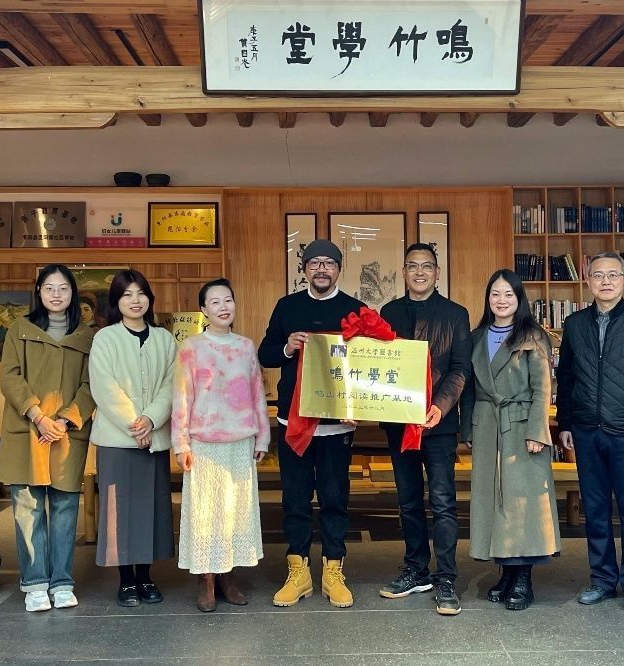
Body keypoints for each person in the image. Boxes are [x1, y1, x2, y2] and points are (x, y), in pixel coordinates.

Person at [258, 239, 366, 609]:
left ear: (339, 269)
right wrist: (287, 347)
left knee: (335, 499)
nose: (321, 269)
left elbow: (368, 363)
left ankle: (333, 570)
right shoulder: (287, 307)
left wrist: (361, 403)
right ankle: (298, 572)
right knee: (295, 498)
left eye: (329, 263)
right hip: (294, 421)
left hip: (337, 425)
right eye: (314, 262)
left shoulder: (355, 309)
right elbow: (266, 354)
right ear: (304, 269)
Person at [557, 252, 624, 613]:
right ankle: (602, 579)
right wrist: (566, 423)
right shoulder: (574, 324)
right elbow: (566, 378)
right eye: (598, 275)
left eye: (613, 275)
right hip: (587, 432)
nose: (605, 281)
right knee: (596, 509)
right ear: (587, 281)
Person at [377, 243, 472, 616]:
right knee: (408, 500)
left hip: (439, 424)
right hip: (399, 423)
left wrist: (441, 405)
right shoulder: (389, 313)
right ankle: (415, 569)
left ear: (437, 272)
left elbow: (460, 368)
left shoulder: (455, 314)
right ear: (403, 272)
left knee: (443, 502)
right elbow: (378, 364)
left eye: (427, 266)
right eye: (413, 266)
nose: (419, 272)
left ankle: (446, 576)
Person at [0, 264, 96, 613]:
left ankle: (62, 582)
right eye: (49, 287)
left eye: (63, 288)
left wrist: (66, 420)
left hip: (67, 433)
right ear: (38, 291)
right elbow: (10, 377)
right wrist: (38, 416)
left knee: (66, 509)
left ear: (73, 294)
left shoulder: (87, 337)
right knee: (28, 508)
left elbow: (91, 385)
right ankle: (35, 583)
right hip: (27, 429)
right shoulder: (19, 330)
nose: (56, 294)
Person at [460, 269, 560, 611]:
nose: (501, 301)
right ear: (487, 299)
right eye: (495, 294)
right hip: (487, 425)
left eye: (508, 294)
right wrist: (468, 430)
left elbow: (542, 389)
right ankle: (505, 571)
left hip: (521, 427)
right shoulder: (476, 337)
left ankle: (523, 578)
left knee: (522, 502)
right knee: (494, 501)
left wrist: (537, 431)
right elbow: (470, 389)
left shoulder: (533, 336)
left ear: (519, 299)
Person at [172, 278, 271, 613]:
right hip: (204, 444)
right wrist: (181, 444)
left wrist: (262, 435)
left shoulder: (245, 346)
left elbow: (257, 393)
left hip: (240, 442)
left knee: (235, 513)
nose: (223, 307)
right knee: (206, 514)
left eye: (228, 300)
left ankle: (229, 579)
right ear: (203, 310)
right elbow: (181, 397)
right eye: (214, 302)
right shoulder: (191, 347)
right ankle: (207, 581)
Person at [89, 269, 176, 608]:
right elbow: (104, 386)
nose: (135, 300)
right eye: (127, 294)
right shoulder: (105, 338)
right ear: (116, 301)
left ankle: (146, 576)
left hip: (154, 438)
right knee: (119, 509)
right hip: (117, 440)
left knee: (151, 508)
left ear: (150, 299)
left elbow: (172, 384)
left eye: (141, 293)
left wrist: (151, 419)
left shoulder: (165, 339)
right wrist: (135, 424)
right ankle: (126, 580)